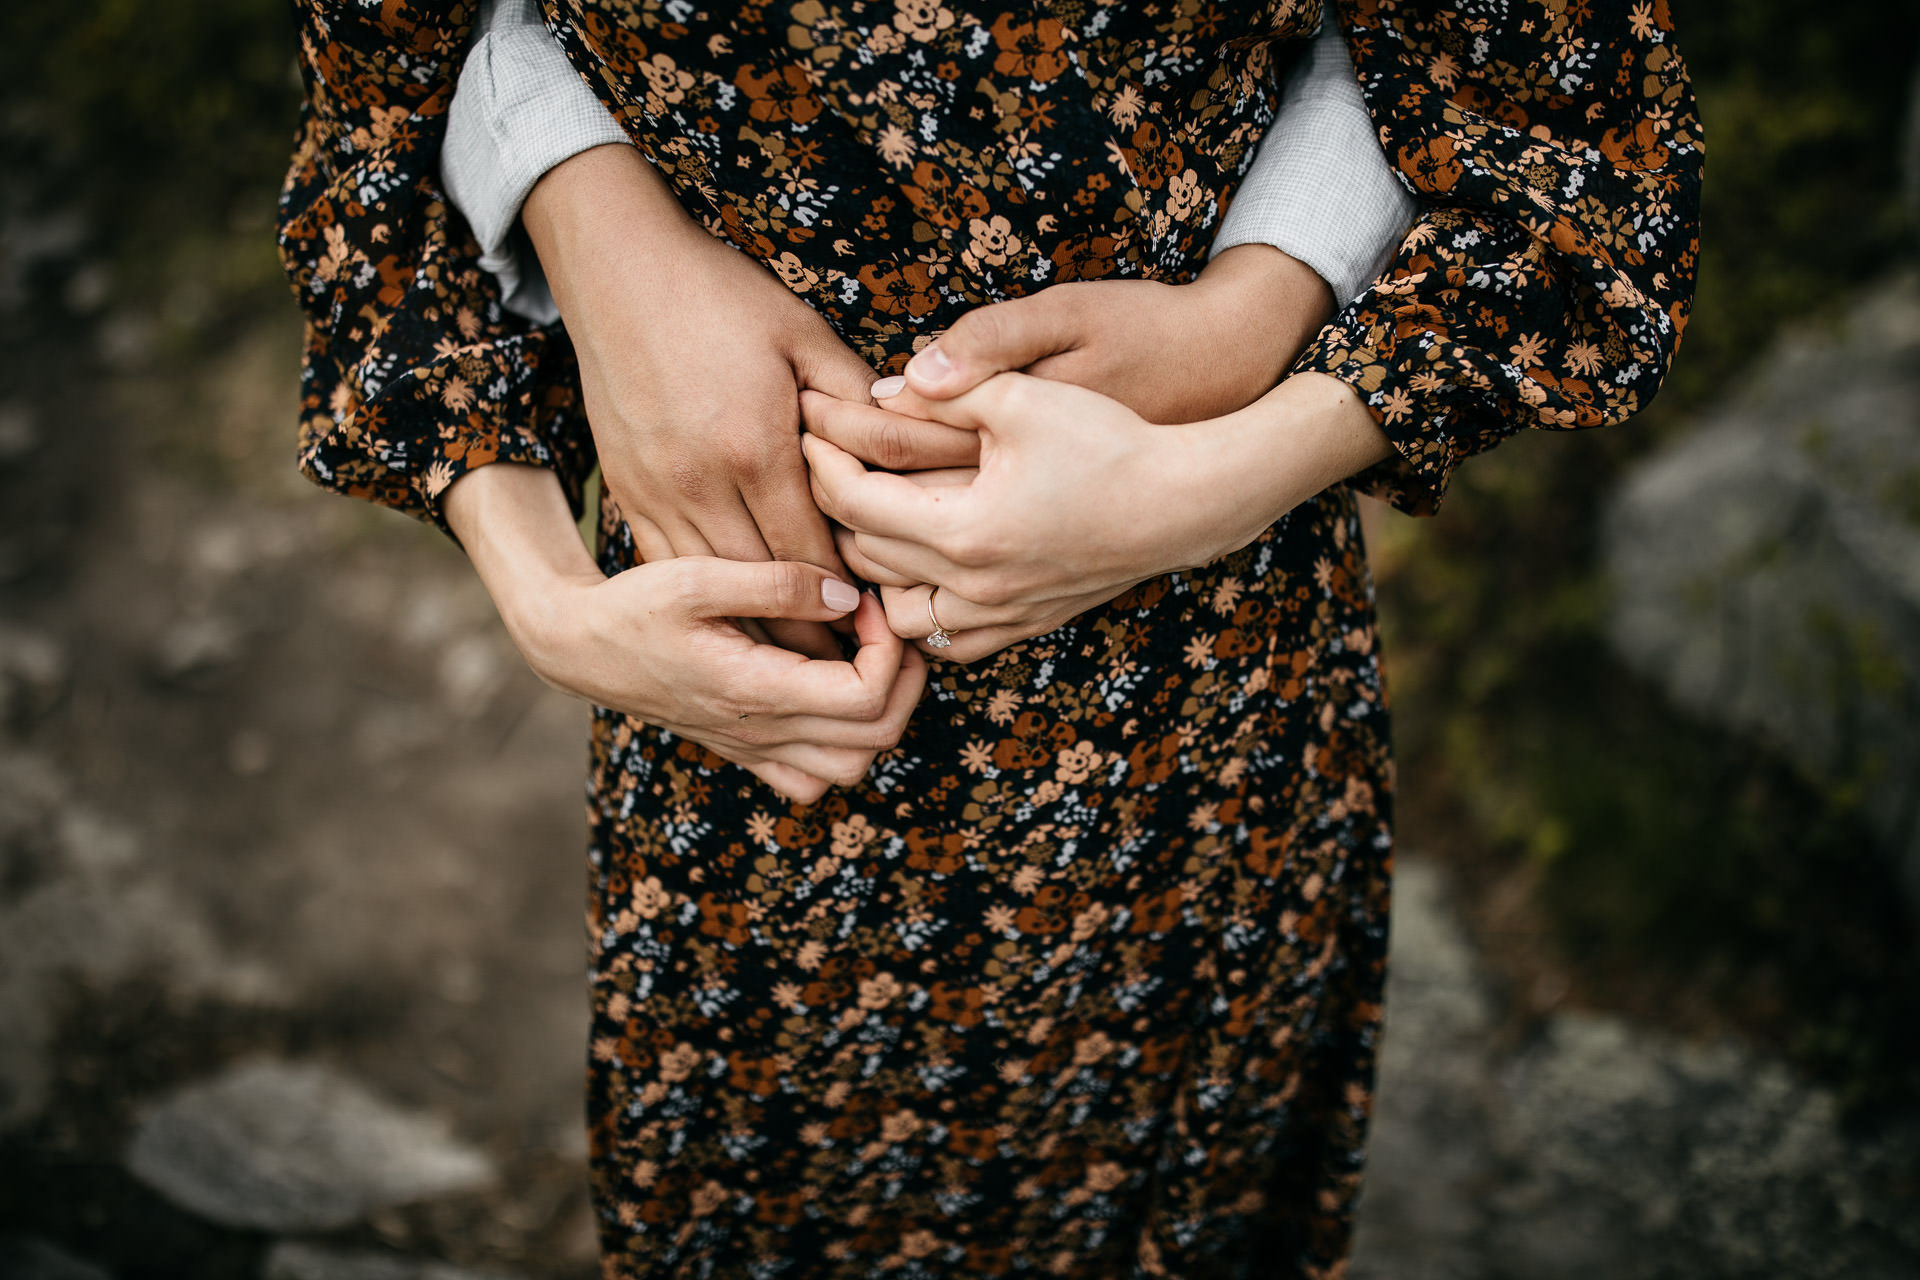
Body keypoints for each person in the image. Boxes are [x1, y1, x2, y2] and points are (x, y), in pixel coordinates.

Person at [278, 1, 1701, 1274]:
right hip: (747, 752)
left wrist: (1228, 416)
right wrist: (550, 589)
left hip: (1193, 718)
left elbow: (1551, 125)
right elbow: (390, 76)